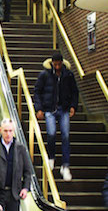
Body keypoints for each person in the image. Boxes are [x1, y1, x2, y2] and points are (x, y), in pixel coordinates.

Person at [34, 52, 79, 181]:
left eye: (59, 64)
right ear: (52, 63)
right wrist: (39, 108)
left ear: (62, 63)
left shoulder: (68, 75)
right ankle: (51, 157)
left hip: (64, 109)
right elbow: (37, 91)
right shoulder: (45, 75)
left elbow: (74, 91)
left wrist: (73, 106)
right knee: (51, 133)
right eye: (55, 64)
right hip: (49, 109)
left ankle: (65, 165)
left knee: (65, 136)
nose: (57, 66)